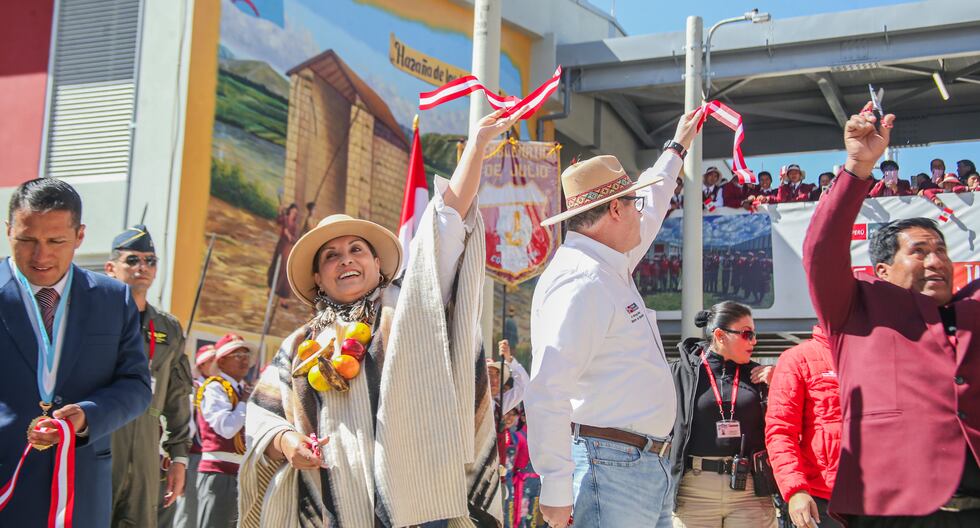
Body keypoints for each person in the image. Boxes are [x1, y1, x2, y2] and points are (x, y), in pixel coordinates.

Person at [238, 109, 521, 527]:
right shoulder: (299, 345)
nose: (345, 260)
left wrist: (476, 148)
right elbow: (263, 415)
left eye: (356, 250)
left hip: (419, 501)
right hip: (336, 504)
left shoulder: (407, 308)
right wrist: (288, 441)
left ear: (377, 263)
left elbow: (446, 225)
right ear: (317, 277)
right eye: (331, 255)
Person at [524, 107, 704, 528]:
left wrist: (676, 149)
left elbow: (655, 204)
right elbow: (547, 388)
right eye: (633, 202)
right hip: (613, 466)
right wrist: (554, 488)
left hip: (632, 465)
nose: (642, 210)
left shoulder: (605, 264)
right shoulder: (584, 280)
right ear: (617, 211)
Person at [803, 101, 980, 524]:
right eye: (918, 252)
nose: (935, 261)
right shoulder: (856, 306)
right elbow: (820, 250)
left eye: (941, 251)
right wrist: (857, 168)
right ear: (881, 269)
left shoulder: (973, 305)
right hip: (890, 504)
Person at [0, 178, 151, 526]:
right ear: (9, 230)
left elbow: (136, 385)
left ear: (80, 236)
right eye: (26, 240)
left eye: (56, 241)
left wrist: (88, 417)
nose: (41, 255)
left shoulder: (114, 300)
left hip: (81, 491)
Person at [105, 225, 193, 528]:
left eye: (150, 261)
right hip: (103, 436)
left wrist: (179, 456)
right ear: (110, 268)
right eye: (132, 260)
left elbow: (178, 395)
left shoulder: (168, 327)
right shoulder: (95, 318)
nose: (142, 267)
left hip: (146, 443)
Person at [669, 302, 775, 528]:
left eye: (754, 334)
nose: (754, 341)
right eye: (747, 334)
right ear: (719, 335)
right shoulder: (682, 373)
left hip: (750, 491)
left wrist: (781, 382)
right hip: (694, 491)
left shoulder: (761, 376)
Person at [765, 325, 843, 528]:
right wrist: (795, 491)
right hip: (823, 501)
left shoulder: (883, 357)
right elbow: (780, 431)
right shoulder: (798, 358)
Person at [195, 333, 253, 528]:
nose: (245, 359)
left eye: (246, 354)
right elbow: (226, 428)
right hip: (218, 473)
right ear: (221, 360)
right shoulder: (214, 388)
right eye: (237, 355)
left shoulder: (245, 389)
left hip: (242, 473)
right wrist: (245, 403)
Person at [168, 345, 217, 528]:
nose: (216, 364)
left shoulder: (219, 386)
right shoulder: (194, 387)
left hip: (205, 454)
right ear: (203, 364)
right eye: (212, 361)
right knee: (188, 508)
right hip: (192, 452)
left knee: (198, 507)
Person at [269, 203, 300, 308]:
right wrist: (280, 211)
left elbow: (294, 238)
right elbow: (278, 221)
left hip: (288, 247)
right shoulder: (285, 219)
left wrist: (291, 237)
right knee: (275, 267)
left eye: (296, 213)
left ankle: (283, 299)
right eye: (293, 212)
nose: (295, 214)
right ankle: (270, 290)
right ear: (290, 211)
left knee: (285, 272)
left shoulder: (294, 225)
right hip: (281, 245)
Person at [491, 339, 529, 415]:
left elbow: (524, 387)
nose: (495, 380)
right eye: (489, 374)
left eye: (497, 374)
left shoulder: (499, 405)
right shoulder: (468, 401)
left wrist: (509, 360)